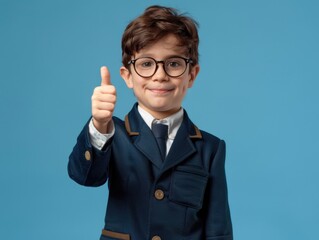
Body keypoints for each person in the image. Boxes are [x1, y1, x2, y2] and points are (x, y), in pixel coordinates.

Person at [68, 5, 233, 240]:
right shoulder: (111, 132)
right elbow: (85, 176)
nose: (160, 75)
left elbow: (219, 230)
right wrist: (99, 125)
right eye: (146, 63)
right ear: (127, 76)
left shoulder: (211, 148)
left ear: (192, 75)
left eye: (174, 63)